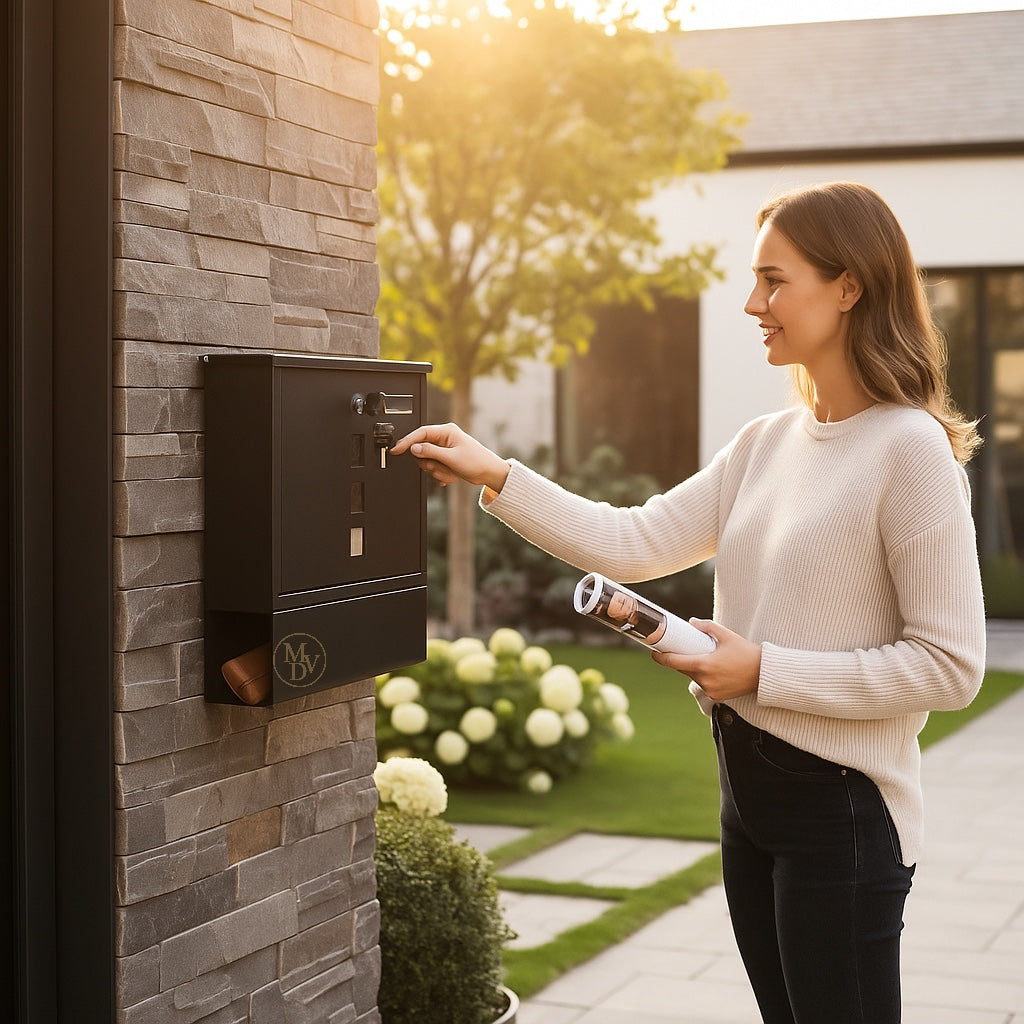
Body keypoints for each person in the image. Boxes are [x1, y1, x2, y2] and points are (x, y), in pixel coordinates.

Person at [391, 181, 986, 1024]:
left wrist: (761, 669)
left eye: (775, 281)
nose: (754, 303)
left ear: (849, 287)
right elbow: (633, 540)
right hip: (747, 792)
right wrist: (496, 475)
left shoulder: (910, 452)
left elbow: (952, 667)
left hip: (842, 813)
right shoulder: (765, 443)